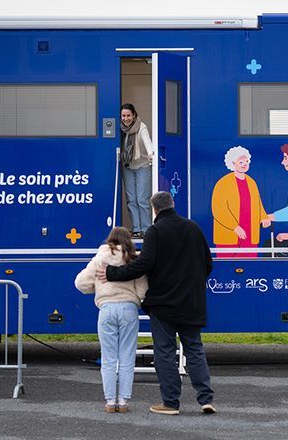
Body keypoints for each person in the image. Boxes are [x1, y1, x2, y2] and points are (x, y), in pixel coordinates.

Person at [96, 191, 216, 416]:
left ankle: (171, 403)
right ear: (172, 204)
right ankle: (206, 399)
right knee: (194, 349)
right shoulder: (193, 228)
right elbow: (208, 263)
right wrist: (193, 285)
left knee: (165, 352)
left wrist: (112, 273)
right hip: (192, 302)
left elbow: (143, 264)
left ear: (154, 209)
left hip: (163, 304)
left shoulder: (156, 231)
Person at [74, 226, 148, 413]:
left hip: (106, 309)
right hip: (128, 309)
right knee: (127, 356)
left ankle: (109, 401)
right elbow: (142, 291)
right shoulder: (133, 259)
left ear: (110, 240)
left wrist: (98, 287)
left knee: (108, 358)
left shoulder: (100, 258)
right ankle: (122, 401)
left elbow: (80, 283)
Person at [211, 146, 270, 258]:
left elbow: (258, 204)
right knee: (227, 264)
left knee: (250, 264)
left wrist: (264, 217)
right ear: (233, 163)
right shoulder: (223, 183)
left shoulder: (251, 182)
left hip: (249, 234)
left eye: (246, 161)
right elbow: (218, 209)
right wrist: (235, 227)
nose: (244, 164)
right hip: (229, 236)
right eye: (241, 162)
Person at [120, 103, 154, 239]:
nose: (126, 118)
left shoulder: (141, 127)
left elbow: (147, 142)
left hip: (142, 166)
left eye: (128, 115)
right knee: (131, 200)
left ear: (134, 115)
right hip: (127, 166)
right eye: (123, 116)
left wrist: (151, 154)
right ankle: (136, 229)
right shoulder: (121, 129)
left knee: (142, 199)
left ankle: (146, 230)